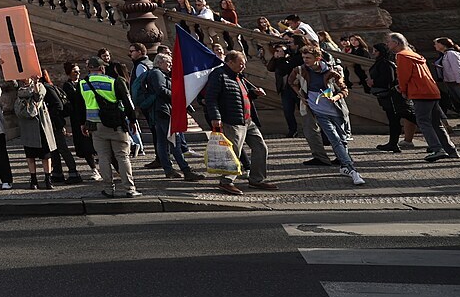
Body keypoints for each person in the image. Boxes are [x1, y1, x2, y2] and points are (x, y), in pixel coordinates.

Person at [286, 43, 364, 186]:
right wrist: (301, 96)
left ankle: (344, 167)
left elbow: (344, 90)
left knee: (342, 140)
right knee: (335, 139)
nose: (305, 60)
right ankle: (352, 170)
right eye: (303, 57)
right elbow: (291, 82)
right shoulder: (299, 70)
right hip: (319, 112)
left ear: (318, 58)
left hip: (336, 111)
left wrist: (335, 97)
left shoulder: (331, 72)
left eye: (308, 57)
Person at [202, 49, 276, 195]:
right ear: (230, 62)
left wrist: (254, 94)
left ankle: (256, 179)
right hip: (232, 121)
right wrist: (216, 117)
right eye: (240, 64)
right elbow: (210, 98)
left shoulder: (239, 76)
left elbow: (242, 96)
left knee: (261, 148)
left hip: (248, 120)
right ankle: (226, 181)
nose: (243, 67)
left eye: (244, 64)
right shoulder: (219, 75)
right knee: (233, 152)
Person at [133, 52, 200, 180]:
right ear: (159, 63)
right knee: (175, 141)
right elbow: (160, 90)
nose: (170, 65)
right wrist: (177, 96)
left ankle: (169, 170)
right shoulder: (157, 74)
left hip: (159, 111)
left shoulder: (158, 74)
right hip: (163, 111)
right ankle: (186, 170)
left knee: (162, 142)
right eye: (168, 62)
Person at [393, 33, 458, 161]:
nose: (388, 44)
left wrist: (403, 90)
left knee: (423, 122)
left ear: (396, 43)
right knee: (436, 123)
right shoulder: (416, 55)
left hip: (419, 92)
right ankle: (451, 150)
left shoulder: (402, 56)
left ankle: (437, 149)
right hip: (431, 91)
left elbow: (403, 76)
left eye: (389, 42)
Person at [80, 57, 138, 198]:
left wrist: (84, 123)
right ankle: (129, 189)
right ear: (102, 68)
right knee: (122, 156)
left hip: (95, 125)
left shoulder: (83, 84)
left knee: (103, 157)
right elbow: (127, 102)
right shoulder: (114, 81)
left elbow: (81, 105)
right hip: (116, 124)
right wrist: (132, 120)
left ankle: (108, 189)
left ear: (89, 69)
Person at [13, 77, 56, 190]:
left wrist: (36, 83)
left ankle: (48, 179)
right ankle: (33, 179)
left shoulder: (40, 86)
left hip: (40, 123)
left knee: (45, 154)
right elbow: (11, 85)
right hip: (27, 124)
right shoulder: (19, 88)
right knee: (30, 154)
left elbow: (38, 97)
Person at [365, 37, 407, 152]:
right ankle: (393, 143)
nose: (373, 53)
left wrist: (373, 82)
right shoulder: (381, 62)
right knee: (394, 120)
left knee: (407, 117)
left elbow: (389, 79)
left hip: (391, 96)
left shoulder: (385, 63)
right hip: (386, 95)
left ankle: (437, 141)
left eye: (376, 51)